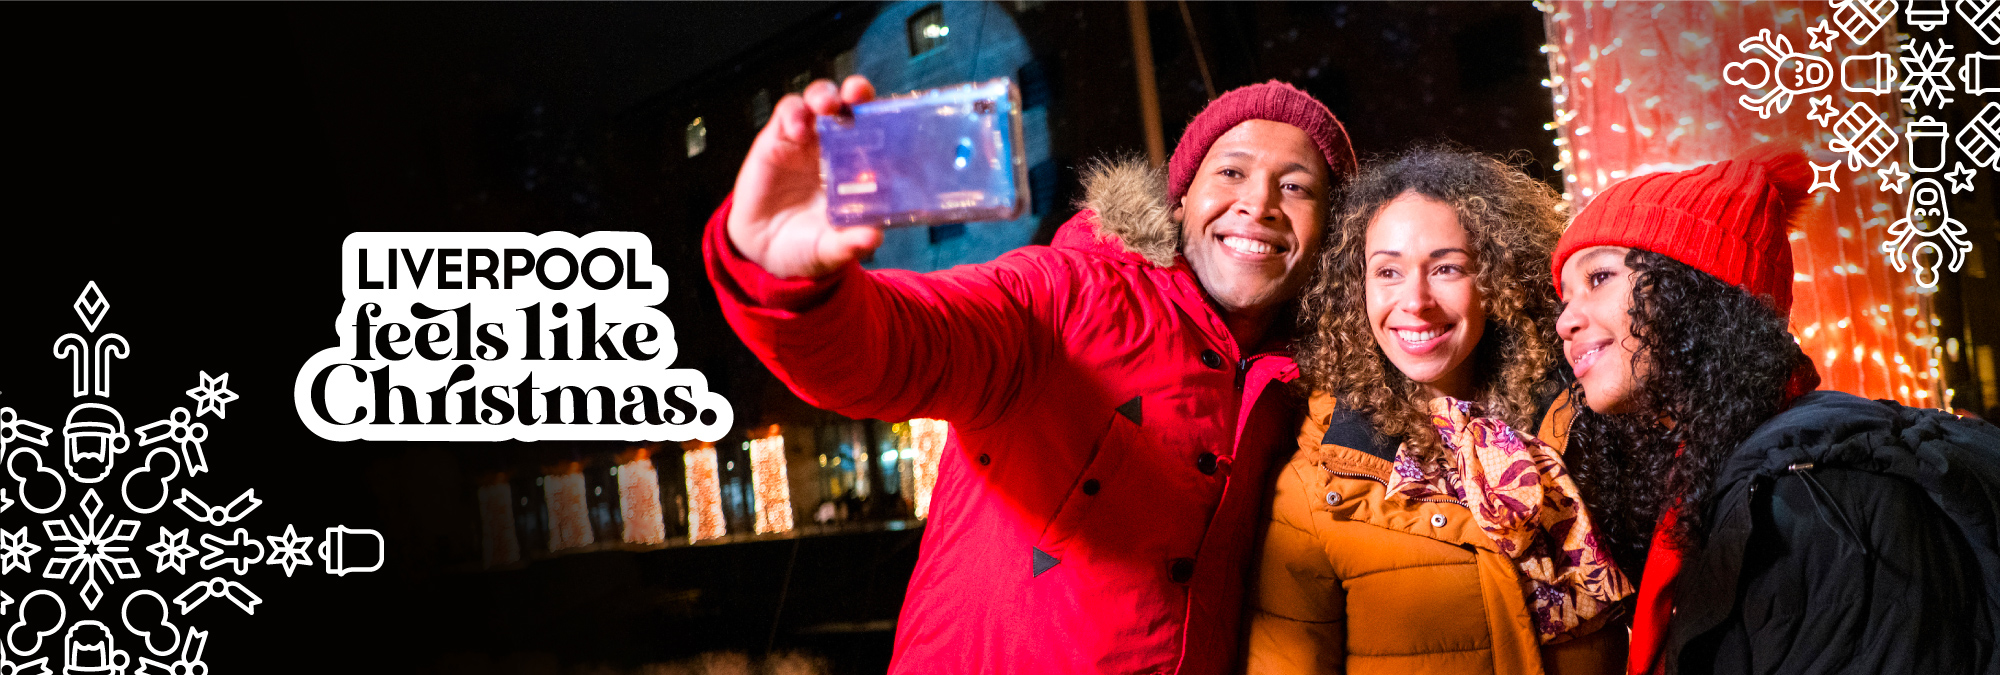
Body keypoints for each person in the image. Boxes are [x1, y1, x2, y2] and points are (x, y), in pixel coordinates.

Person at [702, 75, 1357, 674]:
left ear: (1328, 232)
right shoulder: (1067, 295)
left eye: (1296, 186)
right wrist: (784, 280)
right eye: (1232, 171)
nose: (1259, 203)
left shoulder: (1303, 394)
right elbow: (901, 345)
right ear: (1180, 201)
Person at [1546, 145, 2000, 674]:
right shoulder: (1719, 480)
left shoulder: (1811, 494)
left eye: (1598, 278)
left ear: (1689, 291)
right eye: (1564, 297)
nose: (1565, 322)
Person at [1245, 147, 1632, 675]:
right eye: (1388, 272)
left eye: (1447, 267)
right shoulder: (1315, 485)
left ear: (1498, 281)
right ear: (1356, 289)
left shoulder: (1583, 429)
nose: (1415, 300)